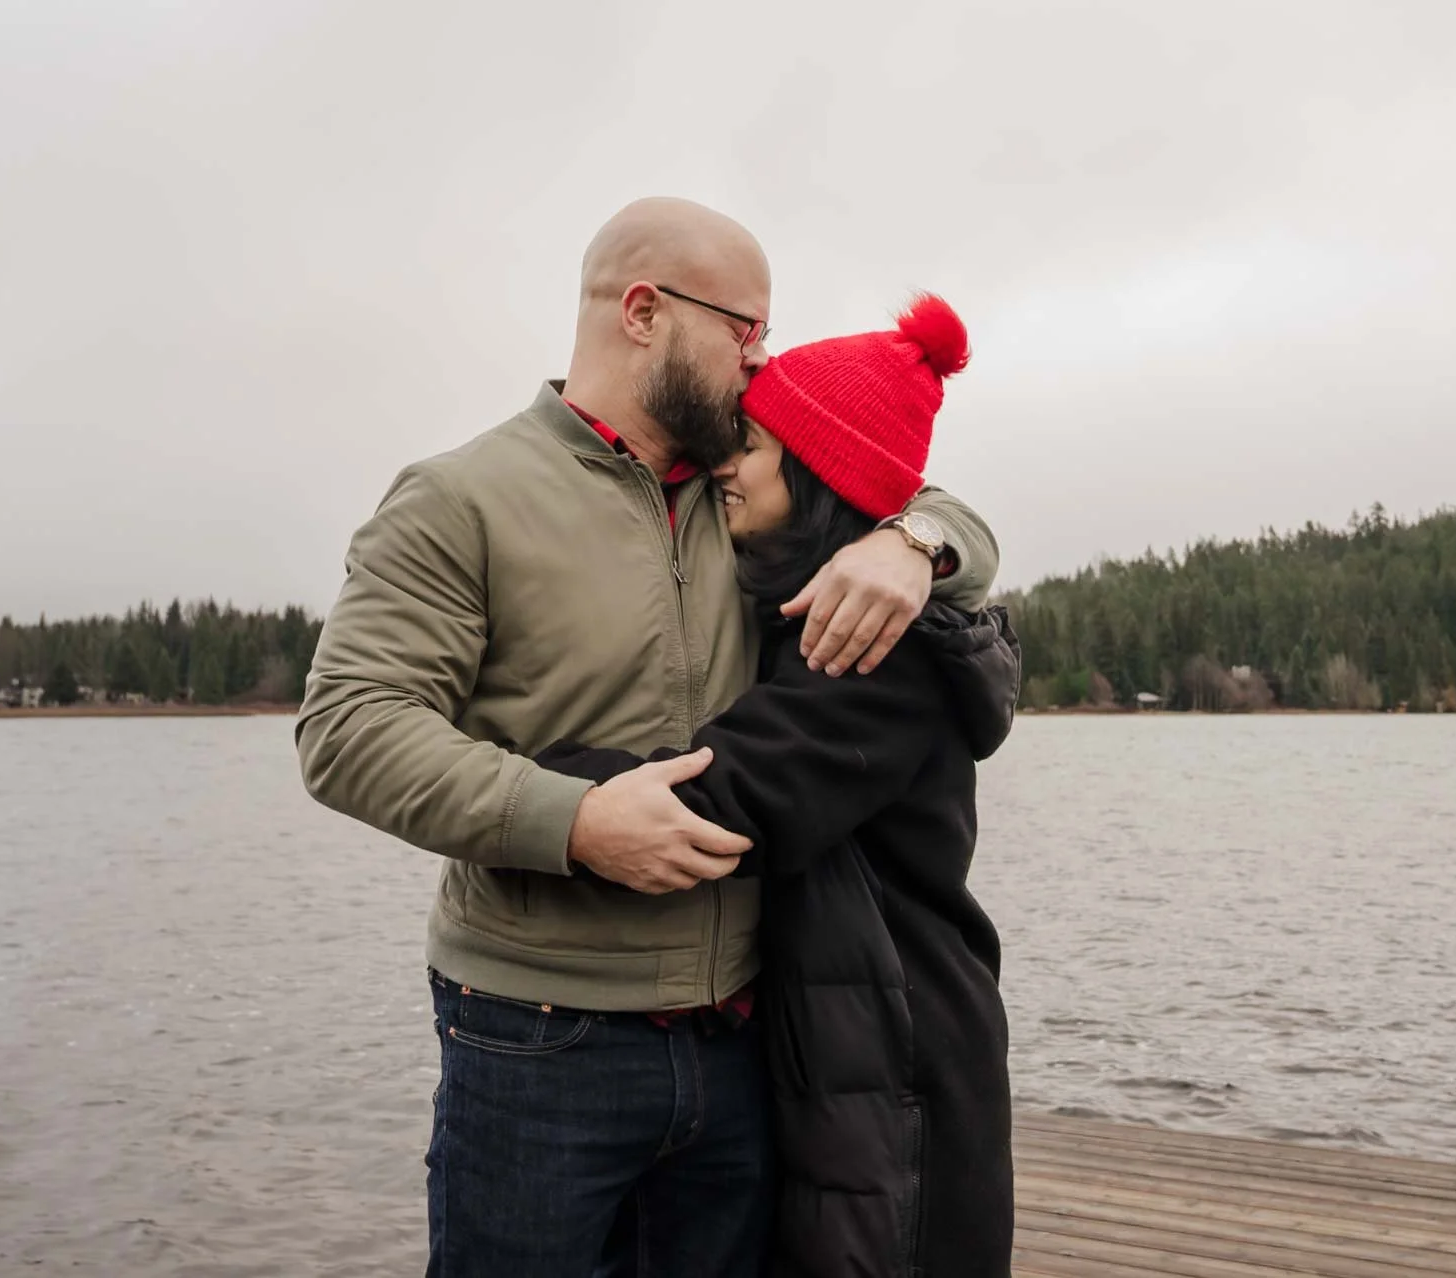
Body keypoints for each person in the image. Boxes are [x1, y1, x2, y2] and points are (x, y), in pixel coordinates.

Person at [294, 198, 1003, 1278]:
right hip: (538, 1038)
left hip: (741, 1044)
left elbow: (890, 476)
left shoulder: (750, 491)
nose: (762, 362)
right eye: (745, 330)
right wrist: (571, 819)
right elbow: (349, 728)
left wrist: (922, 540)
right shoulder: (459, 500)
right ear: (642, 313)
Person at [538, 294, 1018, 1276]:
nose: (726, 464)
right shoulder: (799, 610)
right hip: (841, 1048)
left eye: (751, 447)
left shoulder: (882, 651)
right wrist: (926, 531)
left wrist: (498, 779)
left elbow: (725, 801)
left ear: (817, 470)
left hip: (899, 1062)